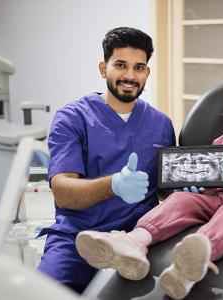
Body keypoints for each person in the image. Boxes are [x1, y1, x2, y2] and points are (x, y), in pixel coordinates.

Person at [75, 72, 223, 299]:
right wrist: (203, 186)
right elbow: (212, 176)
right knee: (181, 199)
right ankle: (134, 242)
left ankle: (199, 254)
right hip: (220, 198)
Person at [36, 27, 176, 293]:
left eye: (139, 68)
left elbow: (164, 189)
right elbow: (64, 192)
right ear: (104, 68)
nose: (130, 76)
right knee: (43, 292)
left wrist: (186, 186)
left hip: (138, 239)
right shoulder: (72, 118)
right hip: (78, 237)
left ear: (147, 72)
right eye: (120, 65)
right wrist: (114, 184)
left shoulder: (161, 123)